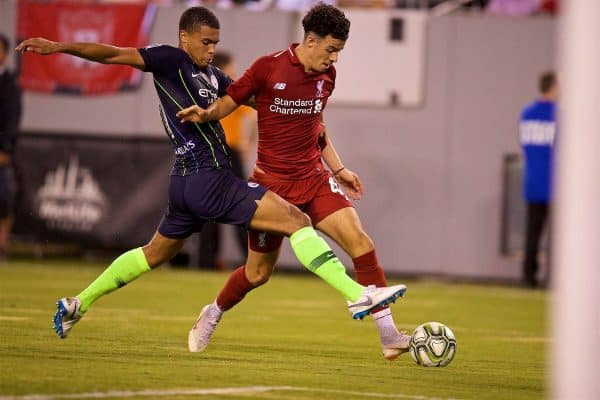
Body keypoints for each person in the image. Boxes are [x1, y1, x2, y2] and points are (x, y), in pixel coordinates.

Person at [16, 6, 406, 340]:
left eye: (215, 43)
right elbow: (112, 54)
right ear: (184, 37)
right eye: (205, 42)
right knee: (296, 219)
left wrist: (294, 106)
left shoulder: (214, 77)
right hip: (209, 178)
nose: (211, 50)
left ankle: (77, 303)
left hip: (185, 182)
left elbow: (252, 99)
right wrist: (58, 47)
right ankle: (355, 292)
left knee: (154, 253)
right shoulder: (169, 58)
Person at [178, 3, 411, 361]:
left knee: (361, 243)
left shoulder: (327, 77)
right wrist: (207, 113)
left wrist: (338, 168)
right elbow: (230, 101)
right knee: (257, 273)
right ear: (312, 41)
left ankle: (389, 336)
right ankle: (213, 312)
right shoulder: (267, 67)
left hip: (314, 179)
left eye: (340, 52)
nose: (334, 59)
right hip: (272, 188)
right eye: (331, 50)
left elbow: (317, 127)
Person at [196, 51, 256, 269]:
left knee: (226, 206)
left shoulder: (229, 91)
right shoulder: (217, 91)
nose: (234, 74)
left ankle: (211, 260)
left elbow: (252, 115)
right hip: (219, 152)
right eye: (230, 70)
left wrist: (246, 143)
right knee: (231, 206)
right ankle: (209, 260)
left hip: (225, 152)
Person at [519, 71, 557, 288]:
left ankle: (528, 277)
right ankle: (556, 278)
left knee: (533, 232)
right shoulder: (558, 114)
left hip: (532, 181)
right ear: (553, 87)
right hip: (555, 183)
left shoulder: (526, 113)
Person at [0, 33, 22, 260]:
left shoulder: (9, 85)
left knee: (4, 202)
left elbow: (12, 119)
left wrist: (6, 149)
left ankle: (2, 245)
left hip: (1, 153)